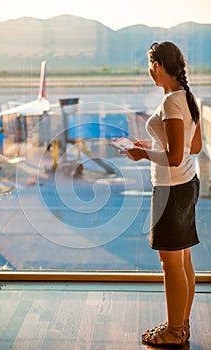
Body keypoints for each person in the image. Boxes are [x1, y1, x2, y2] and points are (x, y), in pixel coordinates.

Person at [121, 41, 202, 346]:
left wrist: (142, 155)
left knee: (171, 264)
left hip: (171, 189)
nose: (149, 72)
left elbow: (175, 156)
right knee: (182, 261)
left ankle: (174, 331)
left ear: (157, 66)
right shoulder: (186, 98)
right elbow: (193, 148)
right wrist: (150, 147)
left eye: (150, 66)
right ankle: (180, 325)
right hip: (186, 184)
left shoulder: (171, 103)